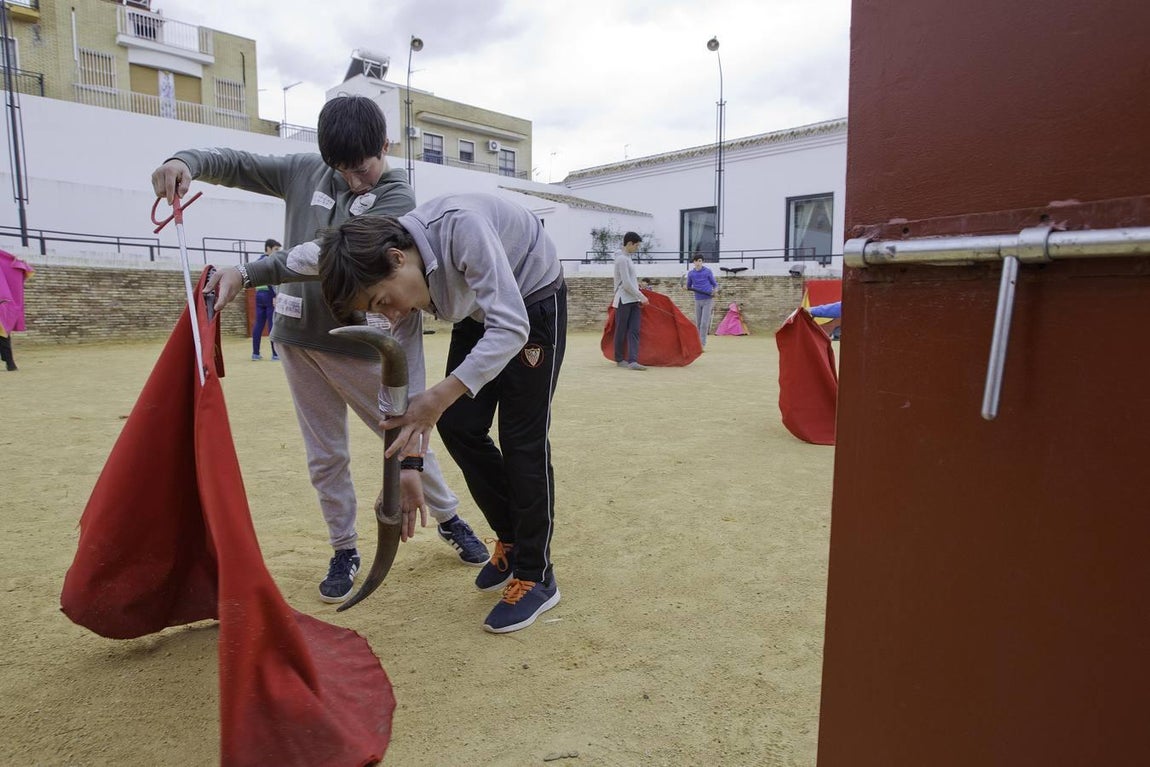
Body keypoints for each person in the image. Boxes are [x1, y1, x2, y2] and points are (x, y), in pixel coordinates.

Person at [149, 95, 489, 605]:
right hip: (297, 340)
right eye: (341, 170)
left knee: (401, 438)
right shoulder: (306, 170)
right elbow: (239, 164)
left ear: (385, 146)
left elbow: (328, 254)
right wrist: (186, 162)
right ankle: (343, 547)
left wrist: (245, 274)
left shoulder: (398, 195)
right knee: (324, 454)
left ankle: (448, 516)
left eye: (363, 167)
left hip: (364, 346)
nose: (354, 181)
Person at [317, 192, 567, 634]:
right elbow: (408, 377)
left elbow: (511, 326)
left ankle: (536, 574)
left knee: (521, 438)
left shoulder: (462, 227)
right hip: (479, 308)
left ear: (397, 258)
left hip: (530, 299)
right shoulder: (401, 279)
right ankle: (510, 537)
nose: (390, 315)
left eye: (381, 301)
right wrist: (410, 463)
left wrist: (442, 394)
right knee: (458, 423)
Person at [611, 231, 647, 370]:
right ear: (630, 243)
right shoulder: (621, 259)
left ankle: (633, 360)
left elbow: (630, 283)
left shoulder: (627, 258)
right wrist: (642, 296)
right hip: (623, 299)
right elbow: (626, 283)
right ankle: (619, 359)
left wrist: (638, 296)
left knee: (634, 330)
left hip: (632, 299)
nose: (637, 248)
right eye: (636, 245)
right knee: (621, 329)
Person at [250, 239, 280, 361]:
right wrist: (274, 295)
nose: (278, 252)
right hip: (268, 295)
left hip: (259, 294)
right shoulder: (269, 262)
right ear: (268, 249)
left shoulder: (257, 262)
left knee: (259, 324)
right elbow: (270, 281)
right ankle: (275, 354)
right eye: (276, 250)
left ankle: (255, 353)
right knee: (272, 324)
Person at [685, 254, 718, 348]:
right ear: (693, 262)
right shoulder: (691, 273)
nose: (698, 263)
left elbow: (715, 284)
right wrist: (685, 288)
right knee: (698, 323)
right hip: (697, 300)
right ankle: (697, 343)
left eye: (699, 261)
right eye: (696, 261)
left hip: (708, 299)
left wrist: (715, 290)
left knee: (704, 323)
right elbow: (689, 286)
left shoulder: (707, 271)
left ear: (702, 261)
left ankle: (701, 345)